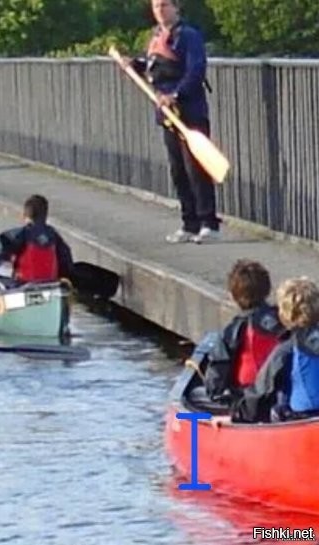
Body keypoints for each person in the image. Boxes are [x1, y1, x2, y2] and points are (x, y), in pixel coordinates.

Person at [122, 0, 221, 244]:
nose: (160, 10)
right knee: (178, 171)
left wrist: (174, 95)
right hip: (167, 116)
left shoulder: (189, 36)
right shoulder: (156, 36)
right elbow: (153, 65)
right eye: (156, 6)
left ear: (176, 8)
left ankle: (208, 223)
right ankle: (190, 223)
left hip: (189, 111)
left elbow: (196, 69)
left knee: (195, 169)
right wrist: (133, 65)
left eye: (165, 4)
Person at [216, 277, 319, 424]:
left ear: (284, 314)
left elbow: (259, 394)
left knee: (275, 408)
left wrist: (233, 417)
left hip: (303, 419)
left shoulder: (285, 350)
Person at [198, 260, 285, 400]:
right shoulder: (285, 319)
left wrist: (213, 391)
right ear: (267, 290)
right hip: (283, 391)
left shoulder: (231, 331)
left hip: (247, 396)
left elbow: (217, 378)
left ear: (233, 296)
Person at [0, 195, 73, 284]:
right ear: (45, 216)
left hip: (24, 283)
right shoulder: (53, 235)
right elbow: (66, 261)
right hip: (50, 284)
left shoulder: (22, 233)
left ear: (24, 216)